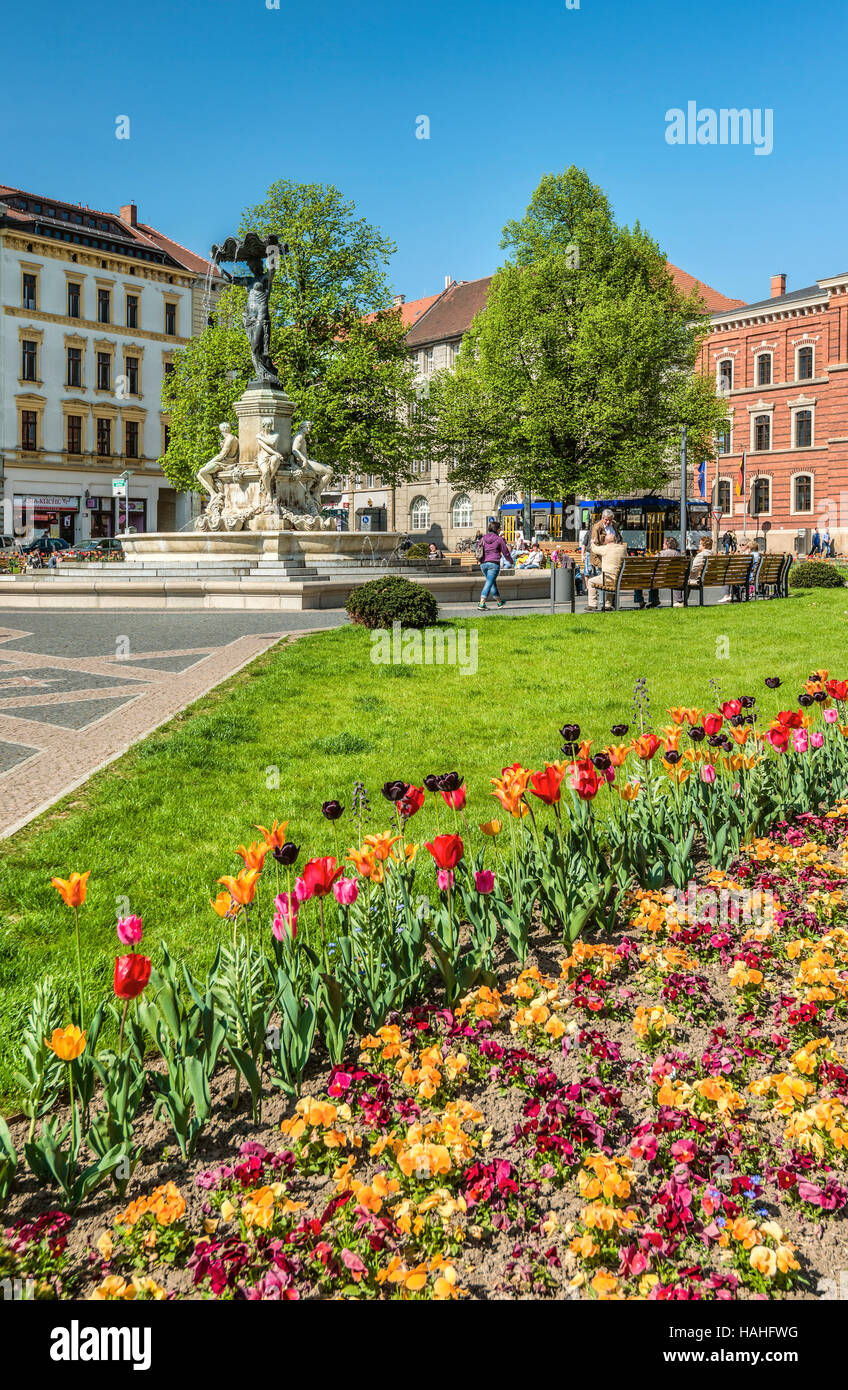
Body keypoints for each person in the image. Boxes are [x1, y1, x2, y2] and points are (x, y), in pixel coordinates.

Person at [476, 521, 512, 609]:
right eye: (500, 528)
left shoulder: (483, 538)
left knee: (491, 582)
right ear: (497, 529)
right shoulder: (499, 539)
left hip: (483, 564)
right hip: (493, 563)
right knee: (489, 582)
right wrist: (511, 561)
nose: (500, 530)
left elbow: (477, 549)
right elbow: (505, 552)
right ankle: (481, 603)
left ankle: (499, 602)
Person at [586, 536, 627, 612]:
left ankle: (592, 605)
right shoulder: (623, 548)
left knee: (591, 581)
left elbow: (594, 549)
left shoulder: (605, 548)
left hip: (609, 578)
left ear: (606, 541)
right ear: (615, 540)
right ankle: (608, 605)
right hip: (620, 579)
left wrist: (592, 543)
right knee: (612, 579)